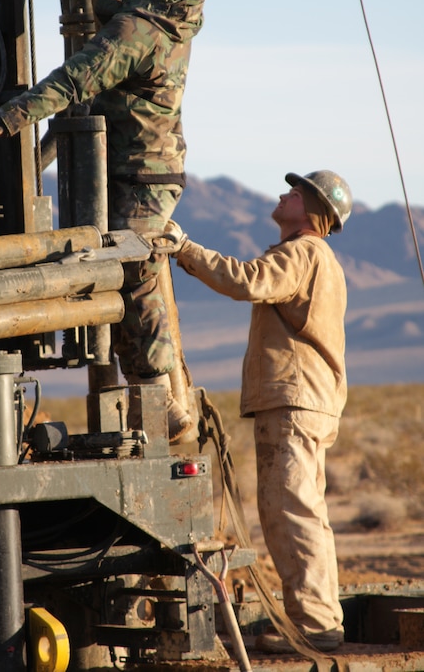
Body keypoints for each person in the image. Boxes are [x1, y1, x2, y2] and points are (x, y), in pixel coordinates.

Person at [0, 0, 221, 442]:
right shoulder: (175, 14)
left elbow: (73, 80)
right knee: (119, 271)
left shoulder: (137, 33)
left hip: (140, 177)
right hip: (141, 168)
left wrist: (8, 118)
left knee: (134, 272)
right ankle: (150, 385)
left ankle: (160, 395)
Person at [164, 170, 352, 653]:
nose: (284, 194)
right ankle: (319, 617)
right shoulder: (318, 258)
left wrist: (185, 249)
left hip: (294, 397)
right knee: (303, 511)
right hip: (307, 398)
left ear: (312, 212)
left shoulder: (303, 252)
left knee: (291, 512)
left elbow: (248, 280)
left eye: (295, 192)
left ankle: (314, 626)